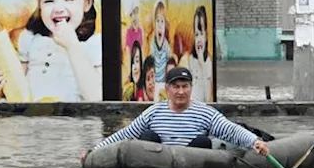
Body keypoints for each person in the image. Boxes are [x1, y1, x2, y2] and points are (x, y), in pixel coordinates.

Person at [87, 66, 270, 157]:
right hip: (158, 164)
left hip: (193, 163)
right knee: (147, 136)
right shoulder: (153, 112)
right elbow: (124, 135)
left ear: (191, 88)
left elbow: (230, 130)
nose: (181, 92)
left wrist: (254, 141)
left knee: (203, 141)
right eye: (176, 87)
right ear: (167, 88)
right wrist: (93, 152)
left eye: (185, 86)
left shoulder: (205, 113)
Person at [0, 0, 102, 102]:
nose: (58, 8)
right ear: (40, 5)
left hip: (71, 121)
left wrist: (72, 46)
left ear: (87, 2)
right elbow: (17, 91)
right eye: (49, 1)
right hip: (31, 119)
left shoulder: (93, 45)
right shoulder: (30, 39)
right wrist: (0, 87)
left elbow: (97, 98)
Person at [187, 5, 213, 102]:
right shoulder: (190, 60)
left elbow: (207, 98)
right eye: (196, 34)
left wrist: (202, 63)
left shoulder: (208, 62)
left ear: (206, 36)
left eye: (201, 34)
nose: (199, 39)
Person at [149, 0, 171, 99]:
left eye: (162, 21)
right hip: (153, 85)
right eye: (157, 21)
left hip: (164, 85)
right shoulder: (151, 45)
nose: (160, 25)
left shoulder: (167, 47)